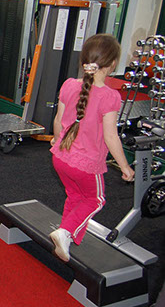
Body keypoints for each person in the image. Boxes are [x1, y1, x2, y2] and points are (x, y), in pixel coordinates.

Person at [49, 33, 134, 262]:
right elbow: (111, 136)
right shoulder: (110, 96)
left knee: (75, 195)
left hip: (60, 158)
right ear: (113, 64)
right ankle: (65, 232)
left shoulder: (69, 84)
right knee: (95, 199)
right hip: (86, 165)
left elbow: (58, 120)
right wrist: (125, 167)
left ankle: (65, 236)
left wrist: (57, 141)